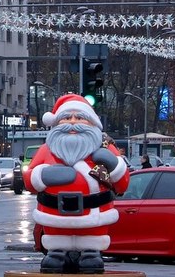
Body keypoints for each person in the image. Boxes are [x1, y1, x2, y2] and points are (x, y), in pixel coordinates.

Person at [27, 94, 130, 274]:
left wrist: (114, 165)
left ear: (92, 123)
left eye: (80, 117)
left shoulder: (106, 148)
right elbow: (29, 180)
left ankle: (91, 252)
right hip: (55, 216)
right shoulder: (46, 150)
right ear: (56, 123)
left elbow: (122, 184)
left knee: (91, 257)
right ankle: (56, 252)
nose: (73, 122)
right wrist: (42, 175)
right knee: (55, 256)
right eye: (66, 117)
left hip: (94, 215)